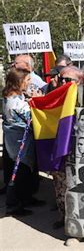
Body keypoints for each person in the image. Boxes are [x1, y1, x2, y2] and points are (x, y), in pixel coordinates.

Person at [3, 68, 42, 215]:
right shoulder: (16, 103)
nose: (29, 82)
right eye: (27, 80)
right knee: (19, 175)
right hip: (19, 144)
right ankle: (13, 205)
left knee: (25, 173)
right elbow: (31, 117)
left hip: (17, 142)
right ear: (19, 82)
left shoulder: (12, 96)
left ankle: (26, 198)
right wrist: (37, 101)